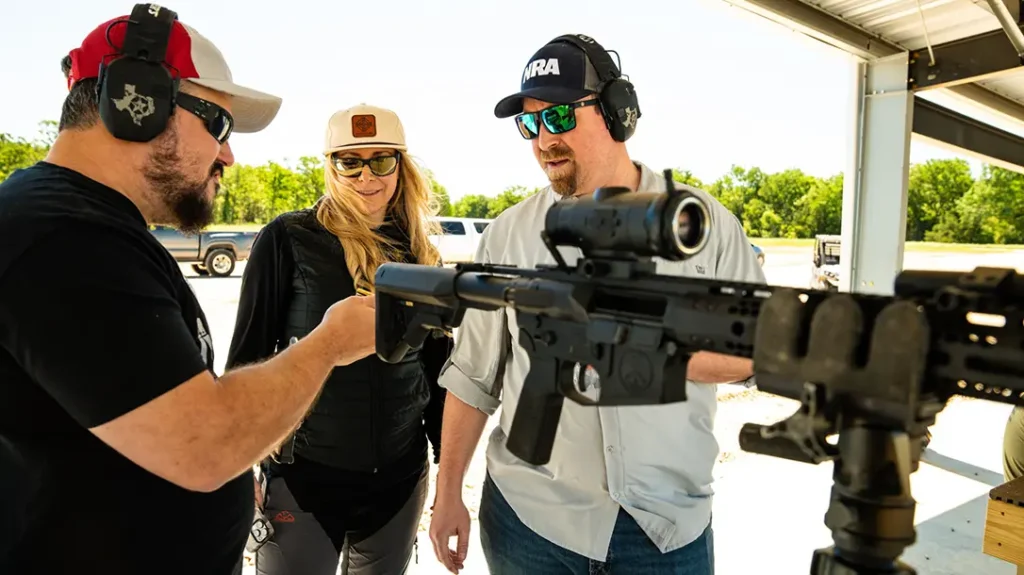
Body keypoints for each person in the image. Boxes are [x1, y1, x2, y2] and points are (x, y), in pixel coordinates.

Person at [0, 7, 377, 575]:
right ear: (139, 101)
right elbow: (204, 446)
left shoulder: (87, 226)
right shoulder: (64, 235)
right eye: (218, 126)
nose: (229, 155)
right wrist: (329, 345)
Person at [427, 34, 767, 575]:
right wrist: (448, 495)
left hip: (664, 529)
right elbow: (473, 378)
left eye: (559, 117)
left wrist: (647, 353)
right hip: (530, 524)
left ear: (616, 112)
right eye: (529, 123)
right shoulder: (507, 236)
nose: (543, 140)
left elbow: (759, 350)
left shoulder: (701, 225)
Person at [226, 103, 451, 575]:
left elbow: (436, 371)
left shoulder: (418, 249)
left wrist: (447, 475)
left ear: (401, 165)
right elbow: (246, 357)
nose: (366, 176)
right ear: (330, 167)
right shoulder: (287, 238)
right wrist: (237, 464)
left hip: (399, 479)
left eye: (381, 160)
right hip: (303, 477)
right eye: (350, 161)